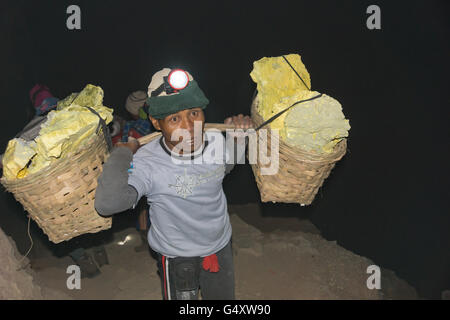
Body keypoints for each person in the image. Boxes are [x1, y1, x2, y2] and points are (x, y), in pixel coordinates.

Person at [94, 68, 253, 300]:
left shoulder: (215, 139)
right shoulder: (147, 162)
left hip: (219, 247)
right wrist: (121, 155)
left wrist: (238, 139)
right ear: (156, 122)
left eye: (194, 113)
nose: (189, 127)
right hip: (177, 256)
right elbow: (107, 204)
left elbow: (225, 167)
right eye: (174, 119)